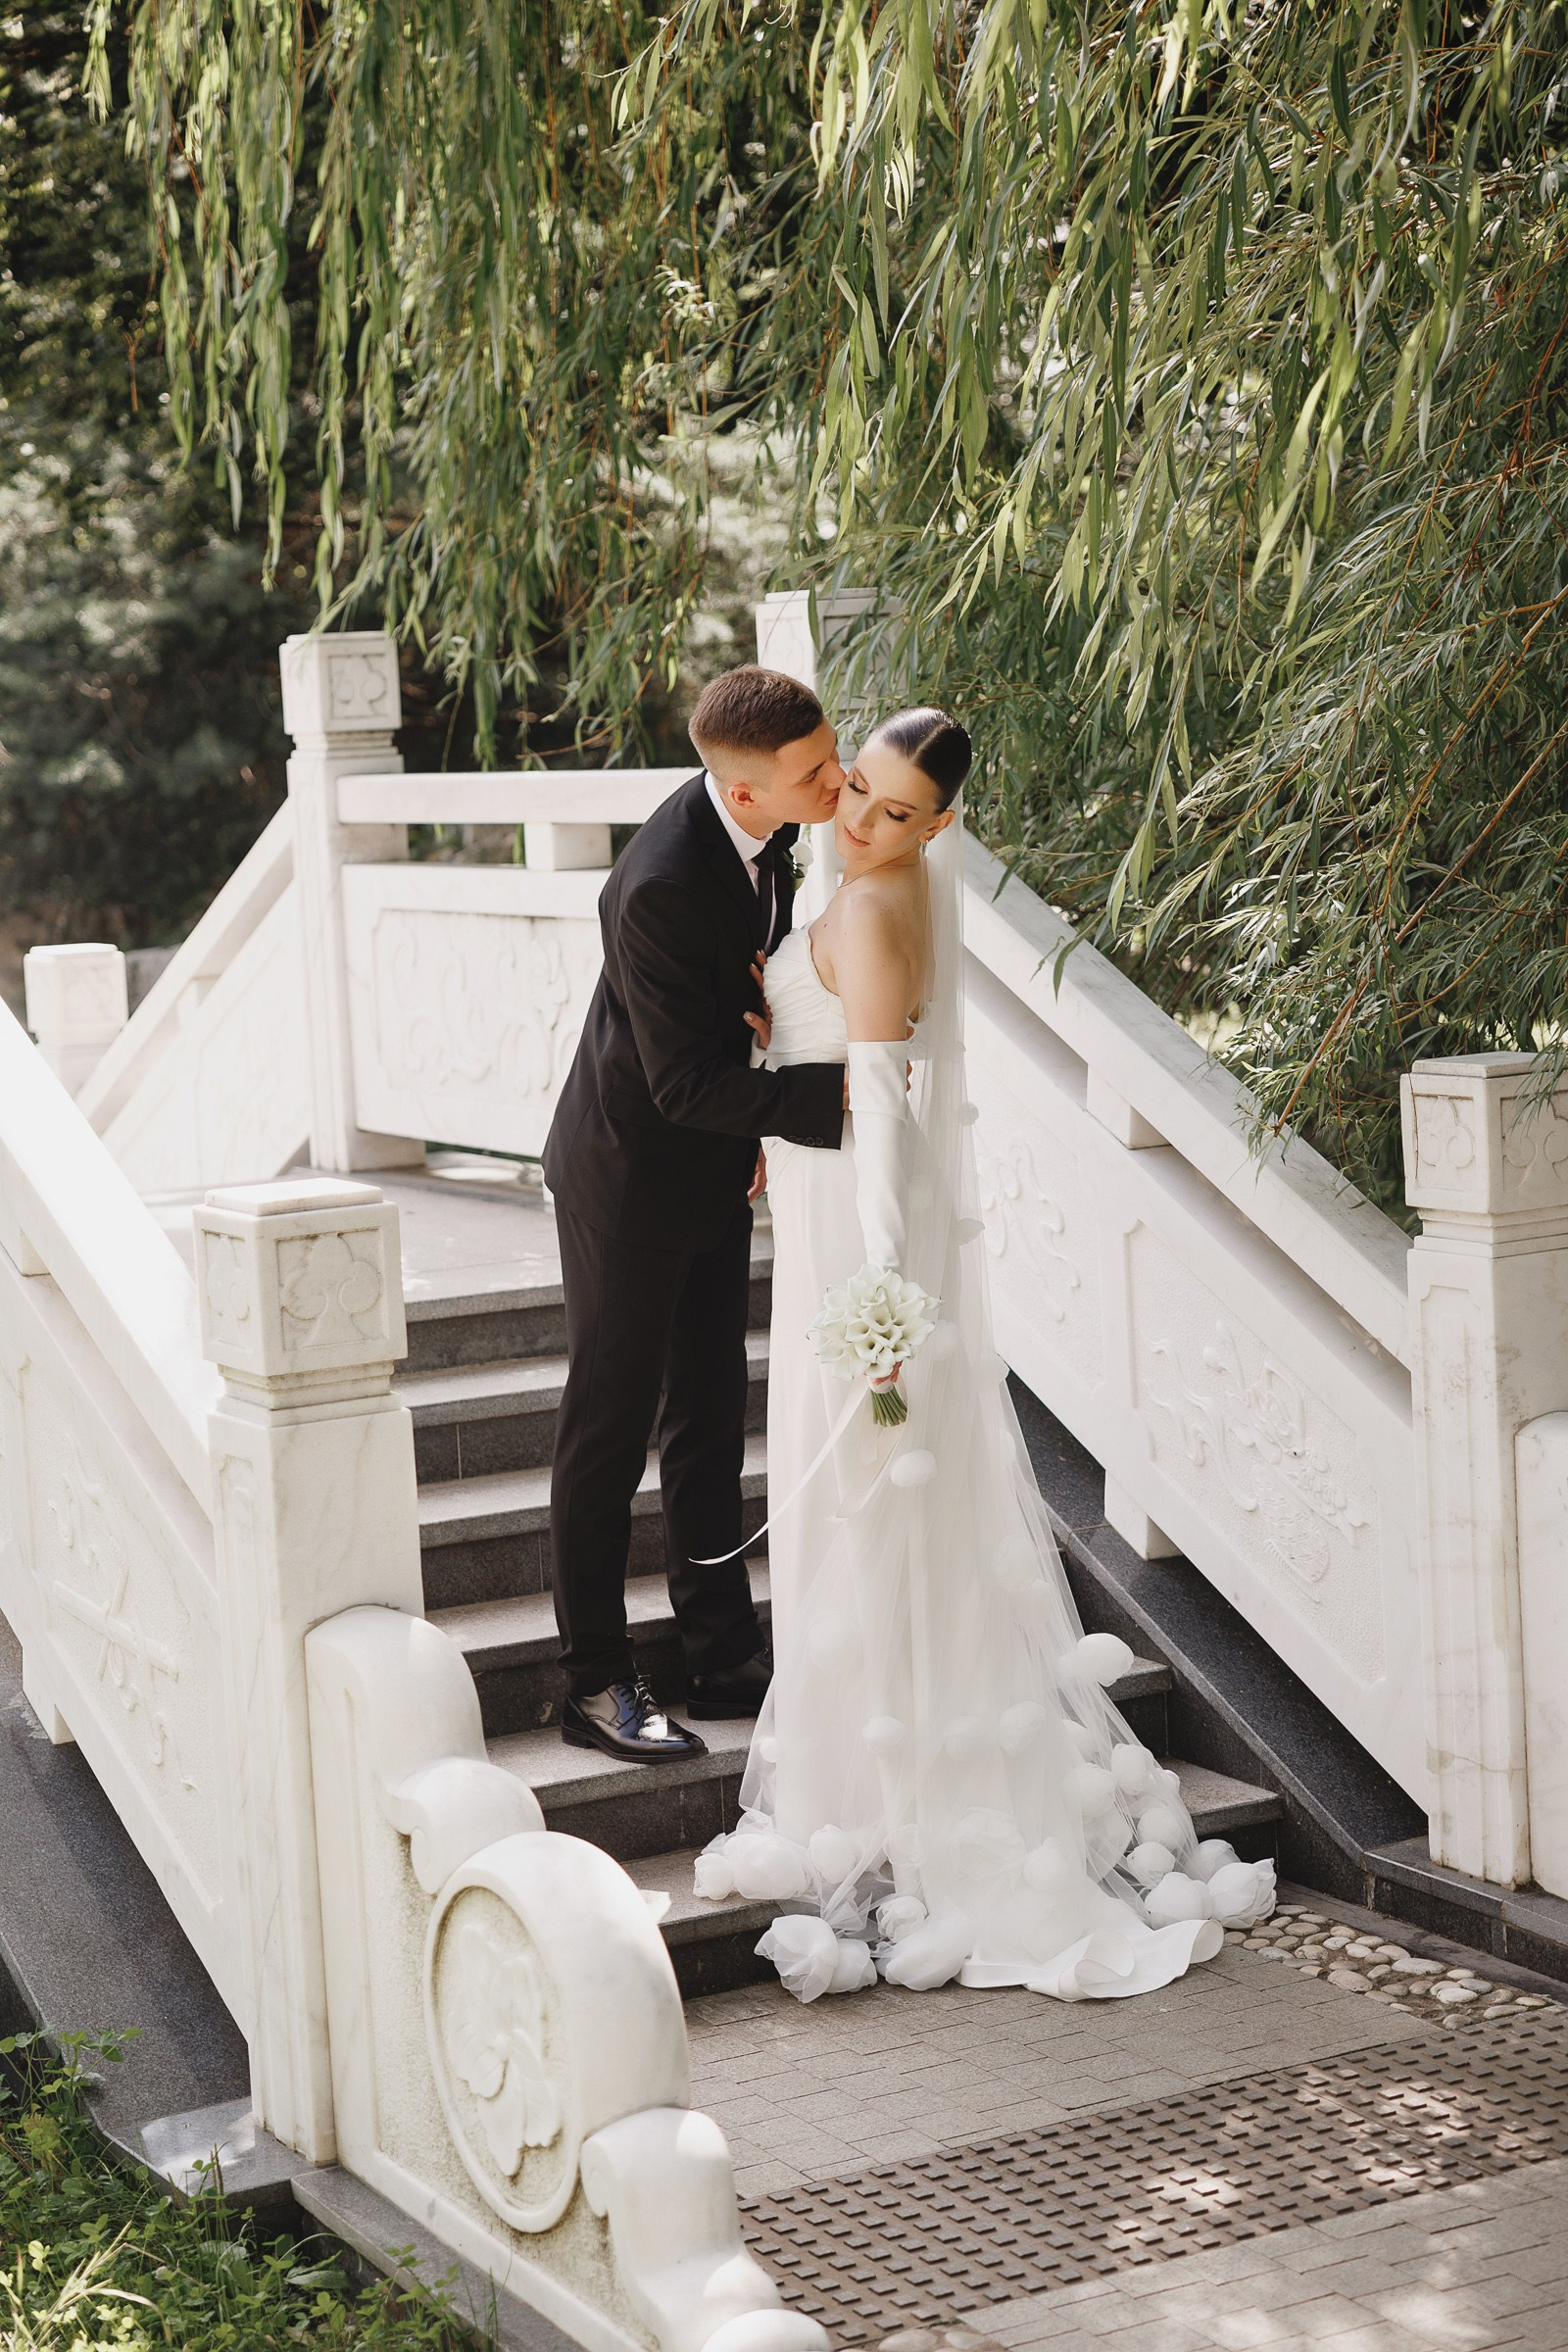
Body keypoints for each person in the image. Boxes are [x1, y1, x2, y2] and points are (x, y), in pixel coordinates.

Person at [694, 709, 1277, 1999]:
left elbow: (884, 1107)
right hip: (832, 1197)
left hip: (858, 1228)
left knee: (866, 1502)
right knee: (882, 1508)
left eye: (896, 812)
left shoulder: (868, 909)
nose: (861, 821)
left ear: (939, 824)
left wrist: (881, 1297)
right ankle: (878, 1773)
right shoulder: (876, 888)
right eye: (857, 792)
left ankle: (878, 1792)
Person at [543, 666, 849, 1763]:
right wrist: (834, 1101)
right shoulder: (662, 882)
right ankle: (592, 1682)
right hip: (628, 1178)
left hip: (712, 1166)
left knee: (710, 1417)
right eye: (816, 773)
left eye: (832, 755)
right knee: (608, 1428)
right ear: (746, 788)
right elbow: (678, 1085)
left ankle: (722, 1657)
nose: (840, 781)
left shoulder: (770, 831)